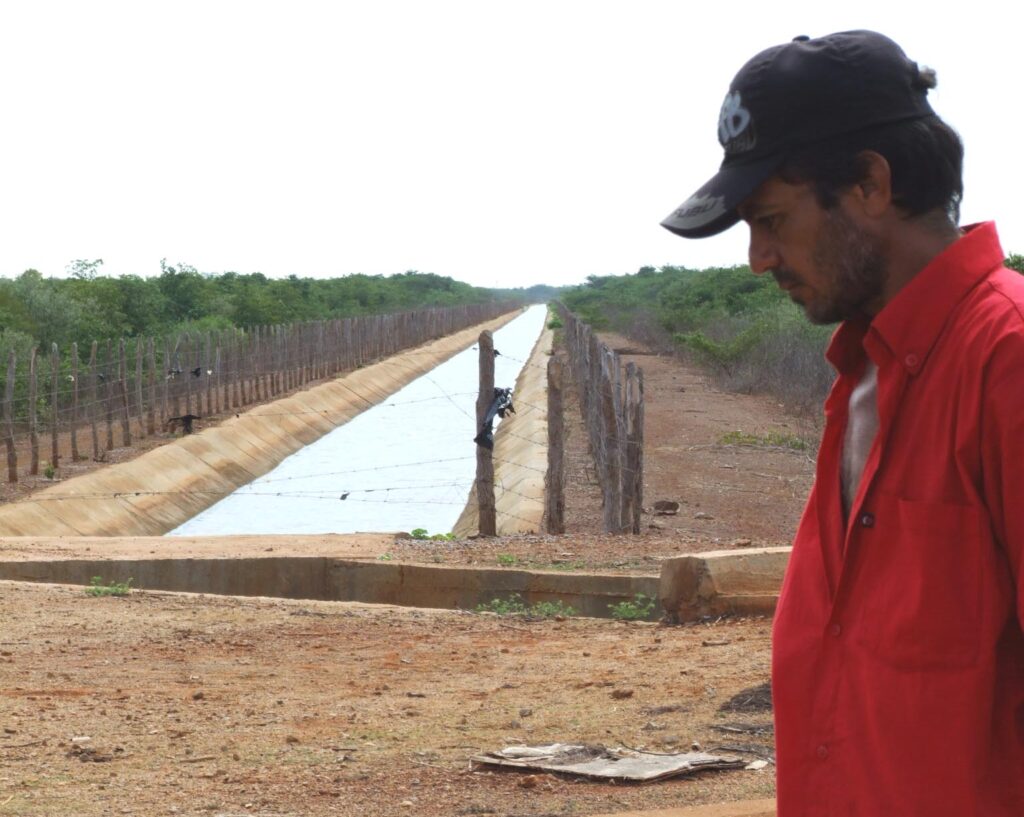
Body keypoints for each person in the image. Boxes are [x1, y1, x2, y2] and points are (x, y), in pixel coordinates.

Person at [660, 30, 1024, 816]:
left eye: (774, 219)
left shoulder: (1006, 361)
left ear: (869, 184)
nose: (758, 258)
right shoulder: (863, 374)